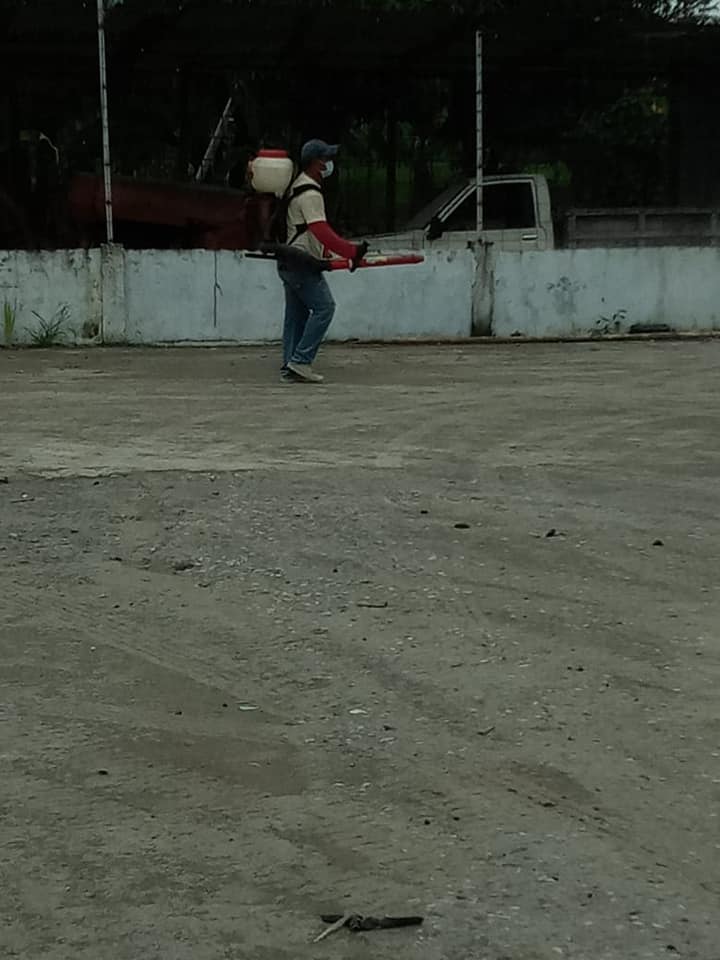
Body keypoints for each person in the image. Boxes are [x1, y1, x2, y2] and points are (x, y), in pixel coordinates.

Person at [278, 139, 367, 384]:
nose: (329, 164)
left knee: (296, 315)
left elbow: (307, 230)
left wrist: (327, 252)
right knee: (324, 308)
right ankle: (301, 361)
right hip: (301, 262)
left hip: (288, 259)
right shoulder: (310, 193)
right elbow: (320, 230)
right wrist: (351, 251)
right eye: (326, 159)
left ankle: (290, 364)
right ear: (317, 163)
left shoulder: (297, 186)